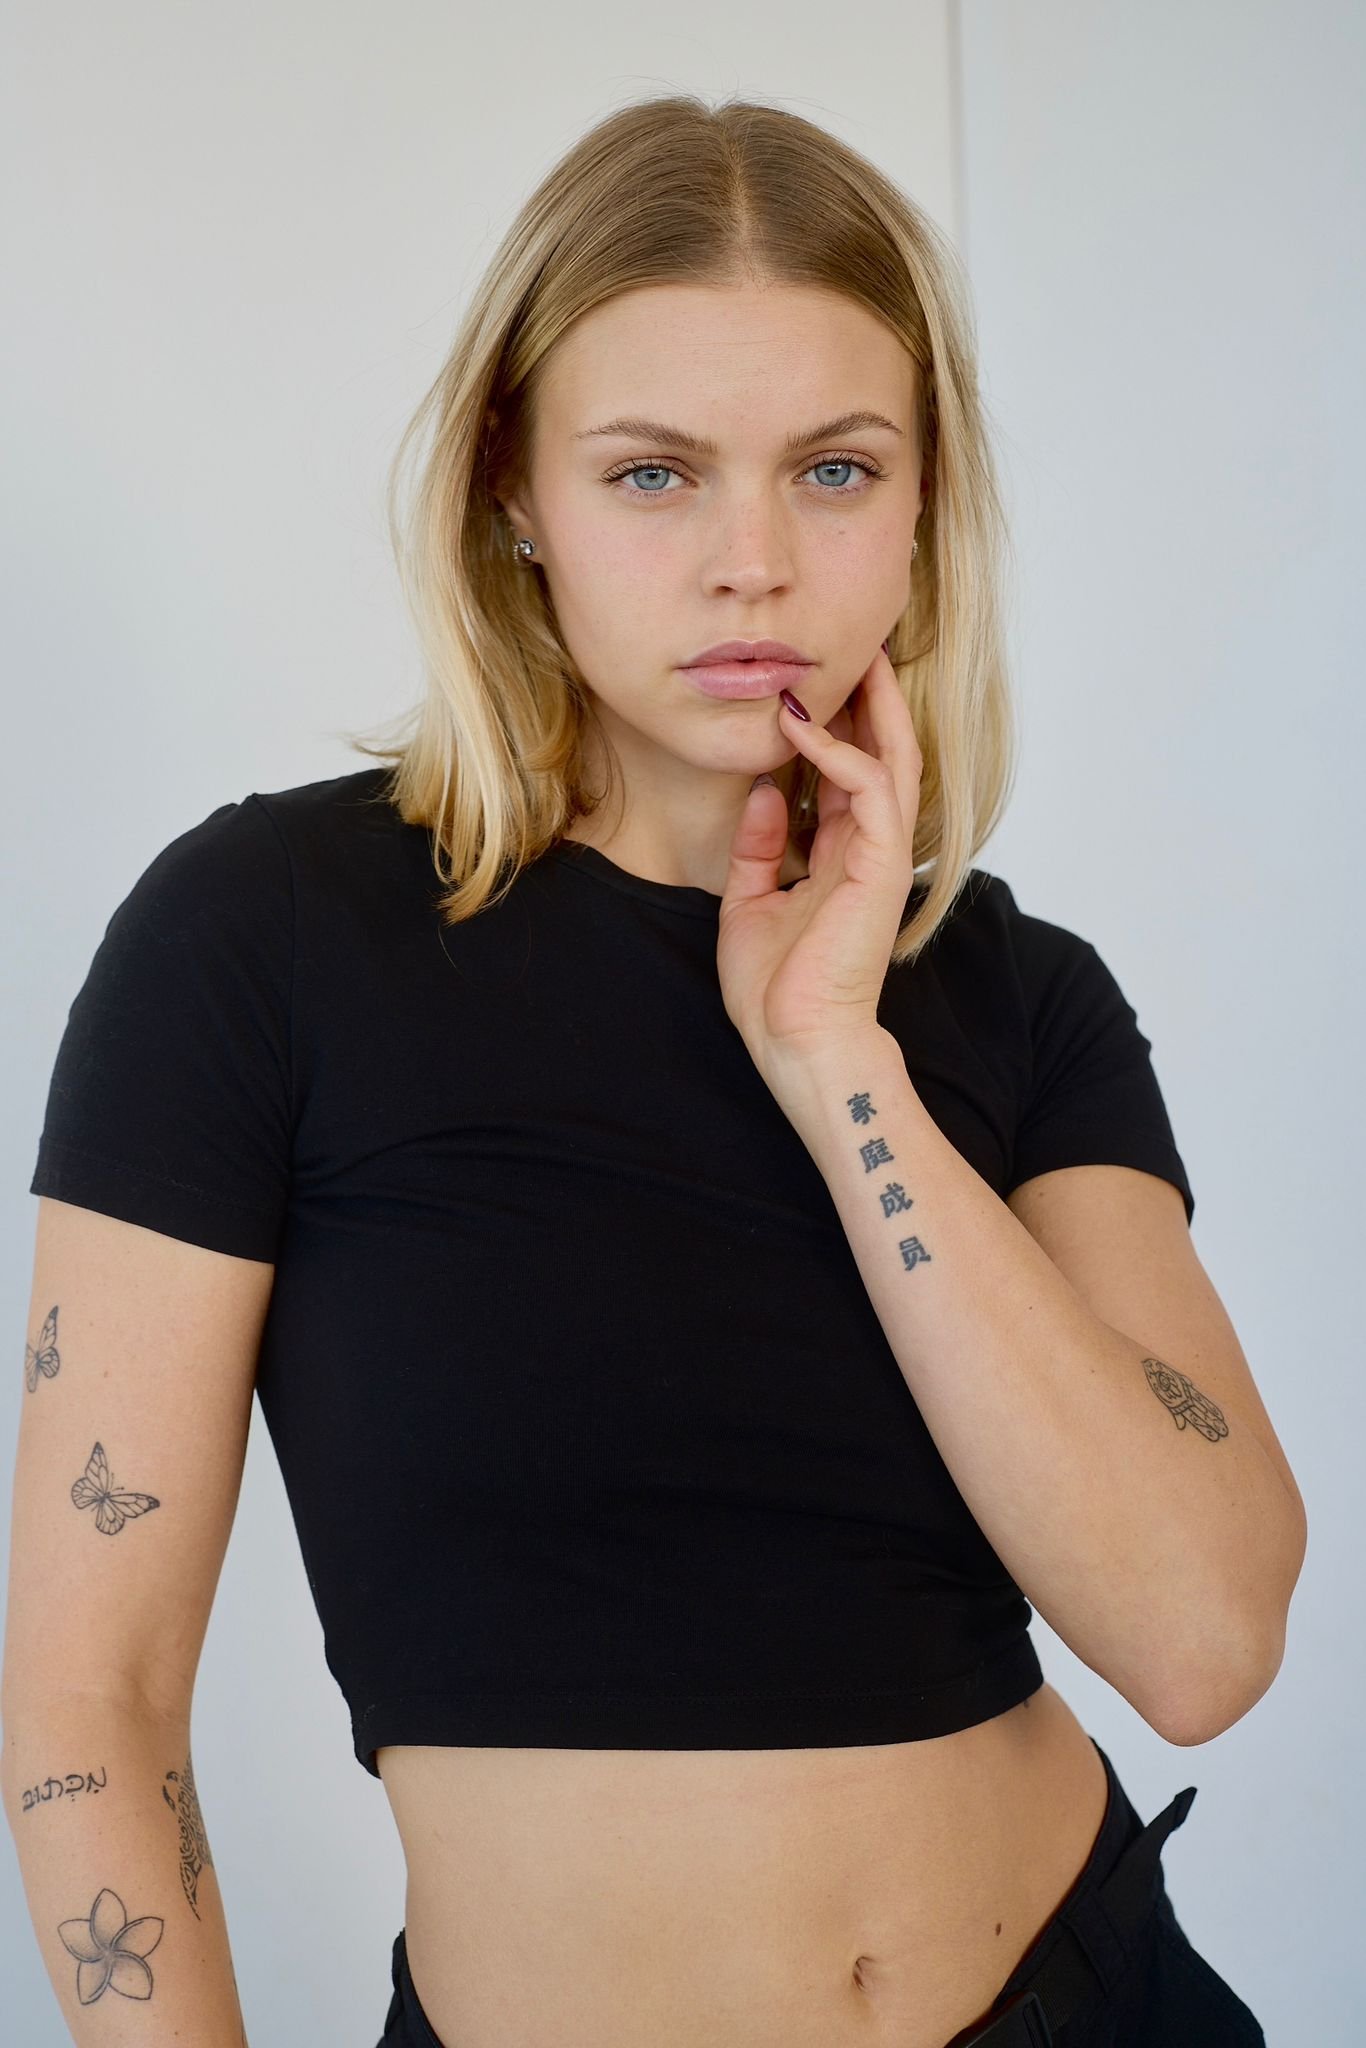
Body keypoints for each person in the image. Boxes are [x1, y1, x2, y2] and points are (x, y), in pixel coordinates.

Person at [3, 94, 1299, 2048]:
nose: (749, 565)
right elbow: (89, 1706)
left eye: (834, 469)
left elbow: (1201, 1641)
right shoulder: (265, 939)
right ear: (511, 486)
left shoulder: (1014, 996)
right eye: (652, 474)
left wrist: (836, 1061)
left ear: (923, 503)